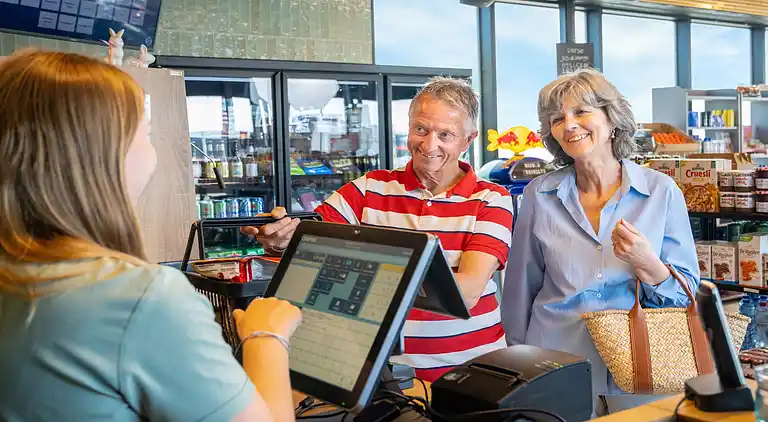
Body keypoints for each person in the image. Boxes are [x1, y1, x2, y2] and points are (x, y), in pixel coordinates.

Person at [0, 50, 301, 422]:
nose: (155, 150)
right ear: (102, 153)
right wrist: (266, 337)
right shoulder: (137, 299)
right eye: (146, 132)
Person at [244, 77, 514, 382]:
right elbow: (310, 241)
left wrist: (365, 274)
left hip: (469, 373)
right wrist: (280, 240)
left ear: (468, 140)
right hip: (383, 375)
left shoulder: (491, 199)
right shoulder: (370, 188)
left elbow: (465, 293)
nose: (429, 145)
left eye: (446, 135)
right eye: (421, 130)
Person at [500, 68, 699, 416]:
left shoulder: (660, 192)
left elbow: (687, 294)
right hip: (555, 363)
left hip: (640, 366)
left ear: (612, 119)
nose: (569, 124)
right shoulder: (539, 195)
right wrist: (521, 364)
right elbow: (520, 289)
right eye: (558, 118)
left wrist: (649, 264)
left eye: (581, 112)